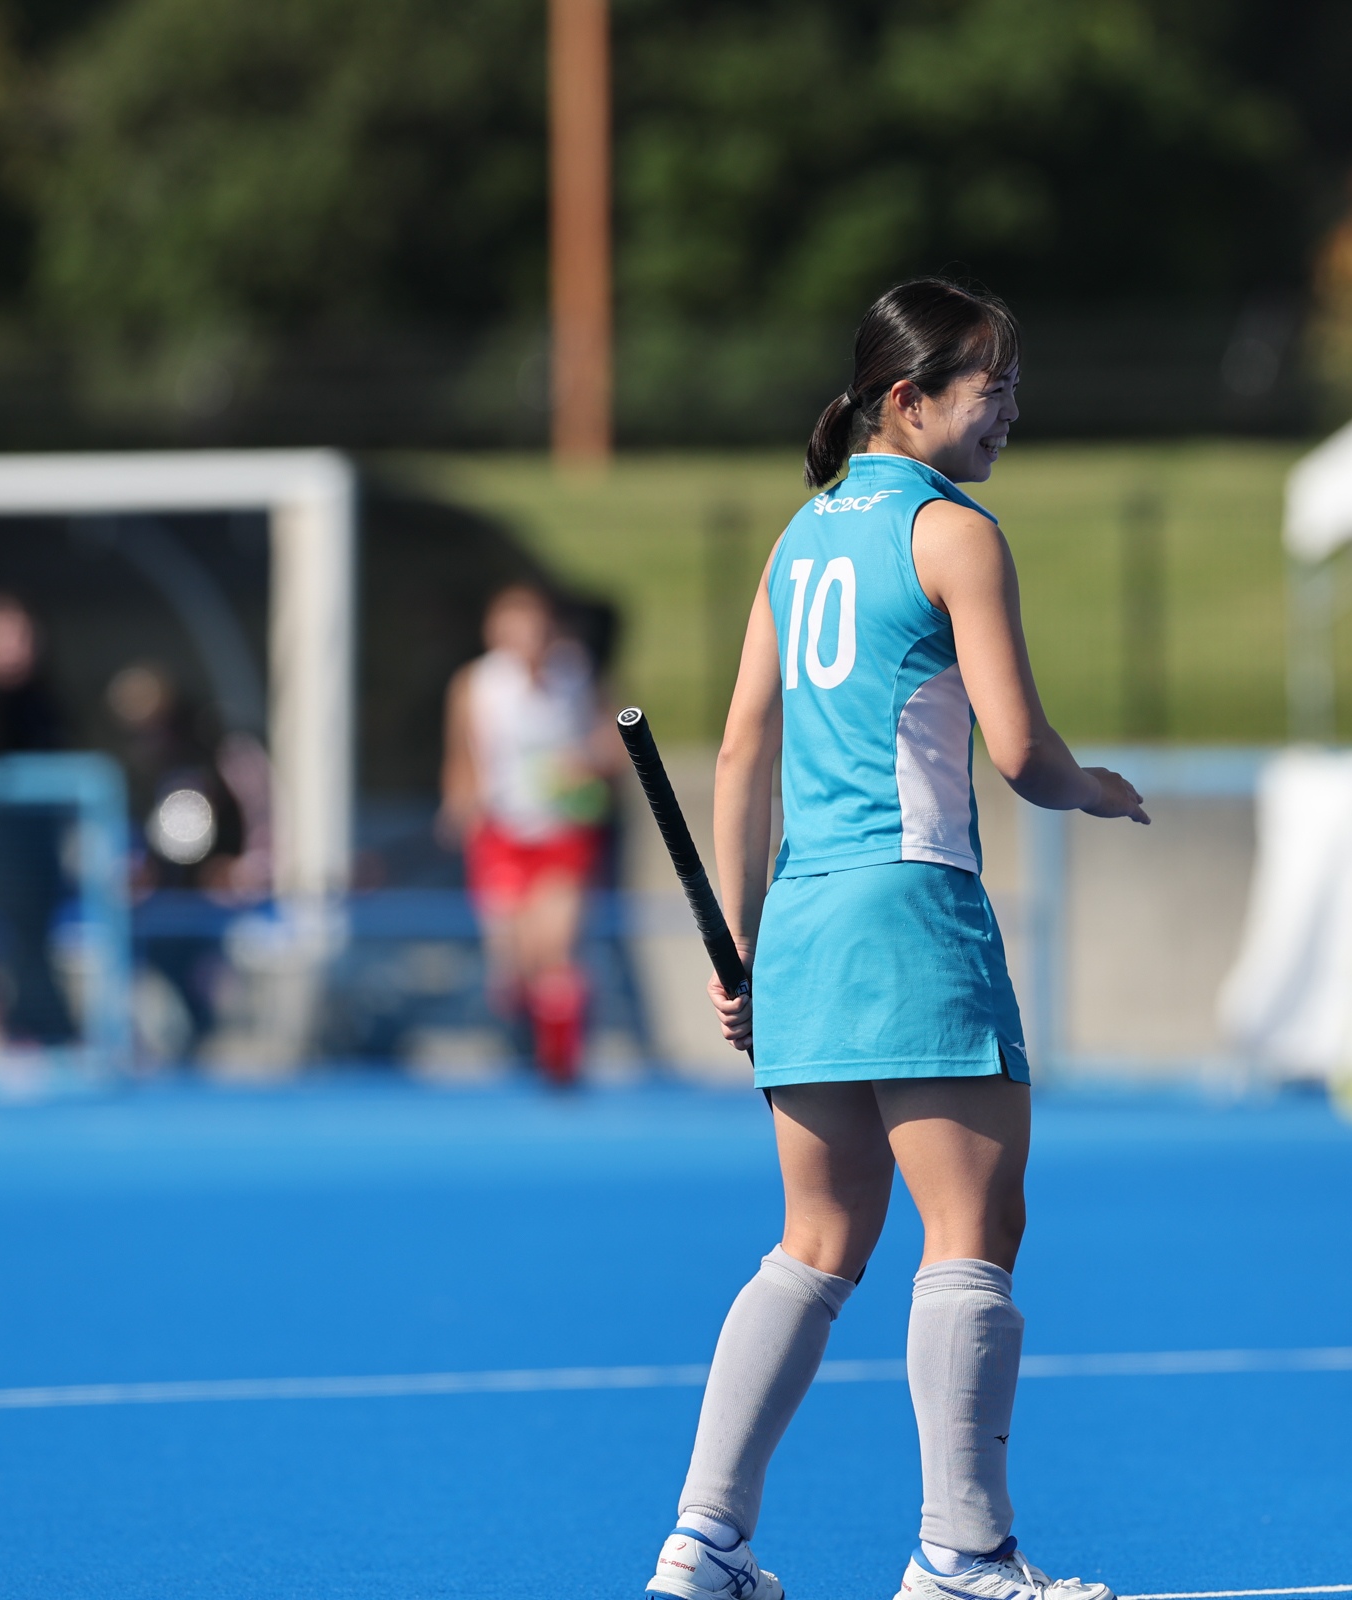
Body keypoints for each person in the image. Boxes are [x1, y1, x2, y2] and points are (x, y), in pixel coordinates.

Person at [640, 279, 1146, 1600]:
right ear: (908, 400)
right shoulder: (952, 534)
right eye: (993, 388)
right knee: (973, 1227)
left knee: (814, 1241)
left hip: (808, 922)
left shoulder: (800, 534)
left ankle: (703, 1540)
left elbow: (742, 752)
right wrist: (1098, 789)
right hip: (914, 908)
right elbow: (1021, 752)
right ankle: (963, 1550)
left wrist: (742, 942)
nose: (1011, 412)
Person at [440, 583, 617, 1084]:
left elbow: (613, 744)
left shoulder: (575, 674)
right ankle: (526, 1033)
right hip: (502, 833)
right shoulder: (475, 684)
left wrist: (586, 765)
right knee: (513, 965)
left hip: (562, 833)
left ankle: (562, 1064)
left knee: (555, 951)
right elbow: (461, 757)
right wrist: (459, 803)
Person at [0, 592, 76, 1046]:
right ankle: (42, 1034)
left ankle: (48, 1036)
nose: (12, 647)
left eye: (19, 636)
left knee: (34, 947)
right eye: (0, 637)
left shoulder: (46, 703)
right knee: (11, 949)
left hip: (41, 849)